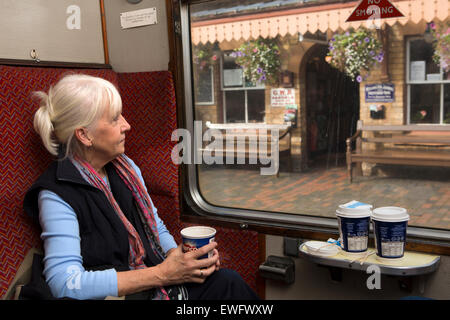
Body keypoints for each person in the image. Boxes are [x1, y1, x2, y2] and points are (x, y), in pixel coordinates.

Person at [23, 74, 258, 300]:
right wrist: (164, 273)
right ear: (84, 135)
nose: (127, 125)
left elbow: (155, 224)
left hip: (151, 278)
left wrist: (179, 258)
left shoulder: (126, 168)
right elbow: (64, 283)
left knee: (228, 282)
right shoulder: (56, 194)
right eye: (115, 119)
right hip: (118, 295)